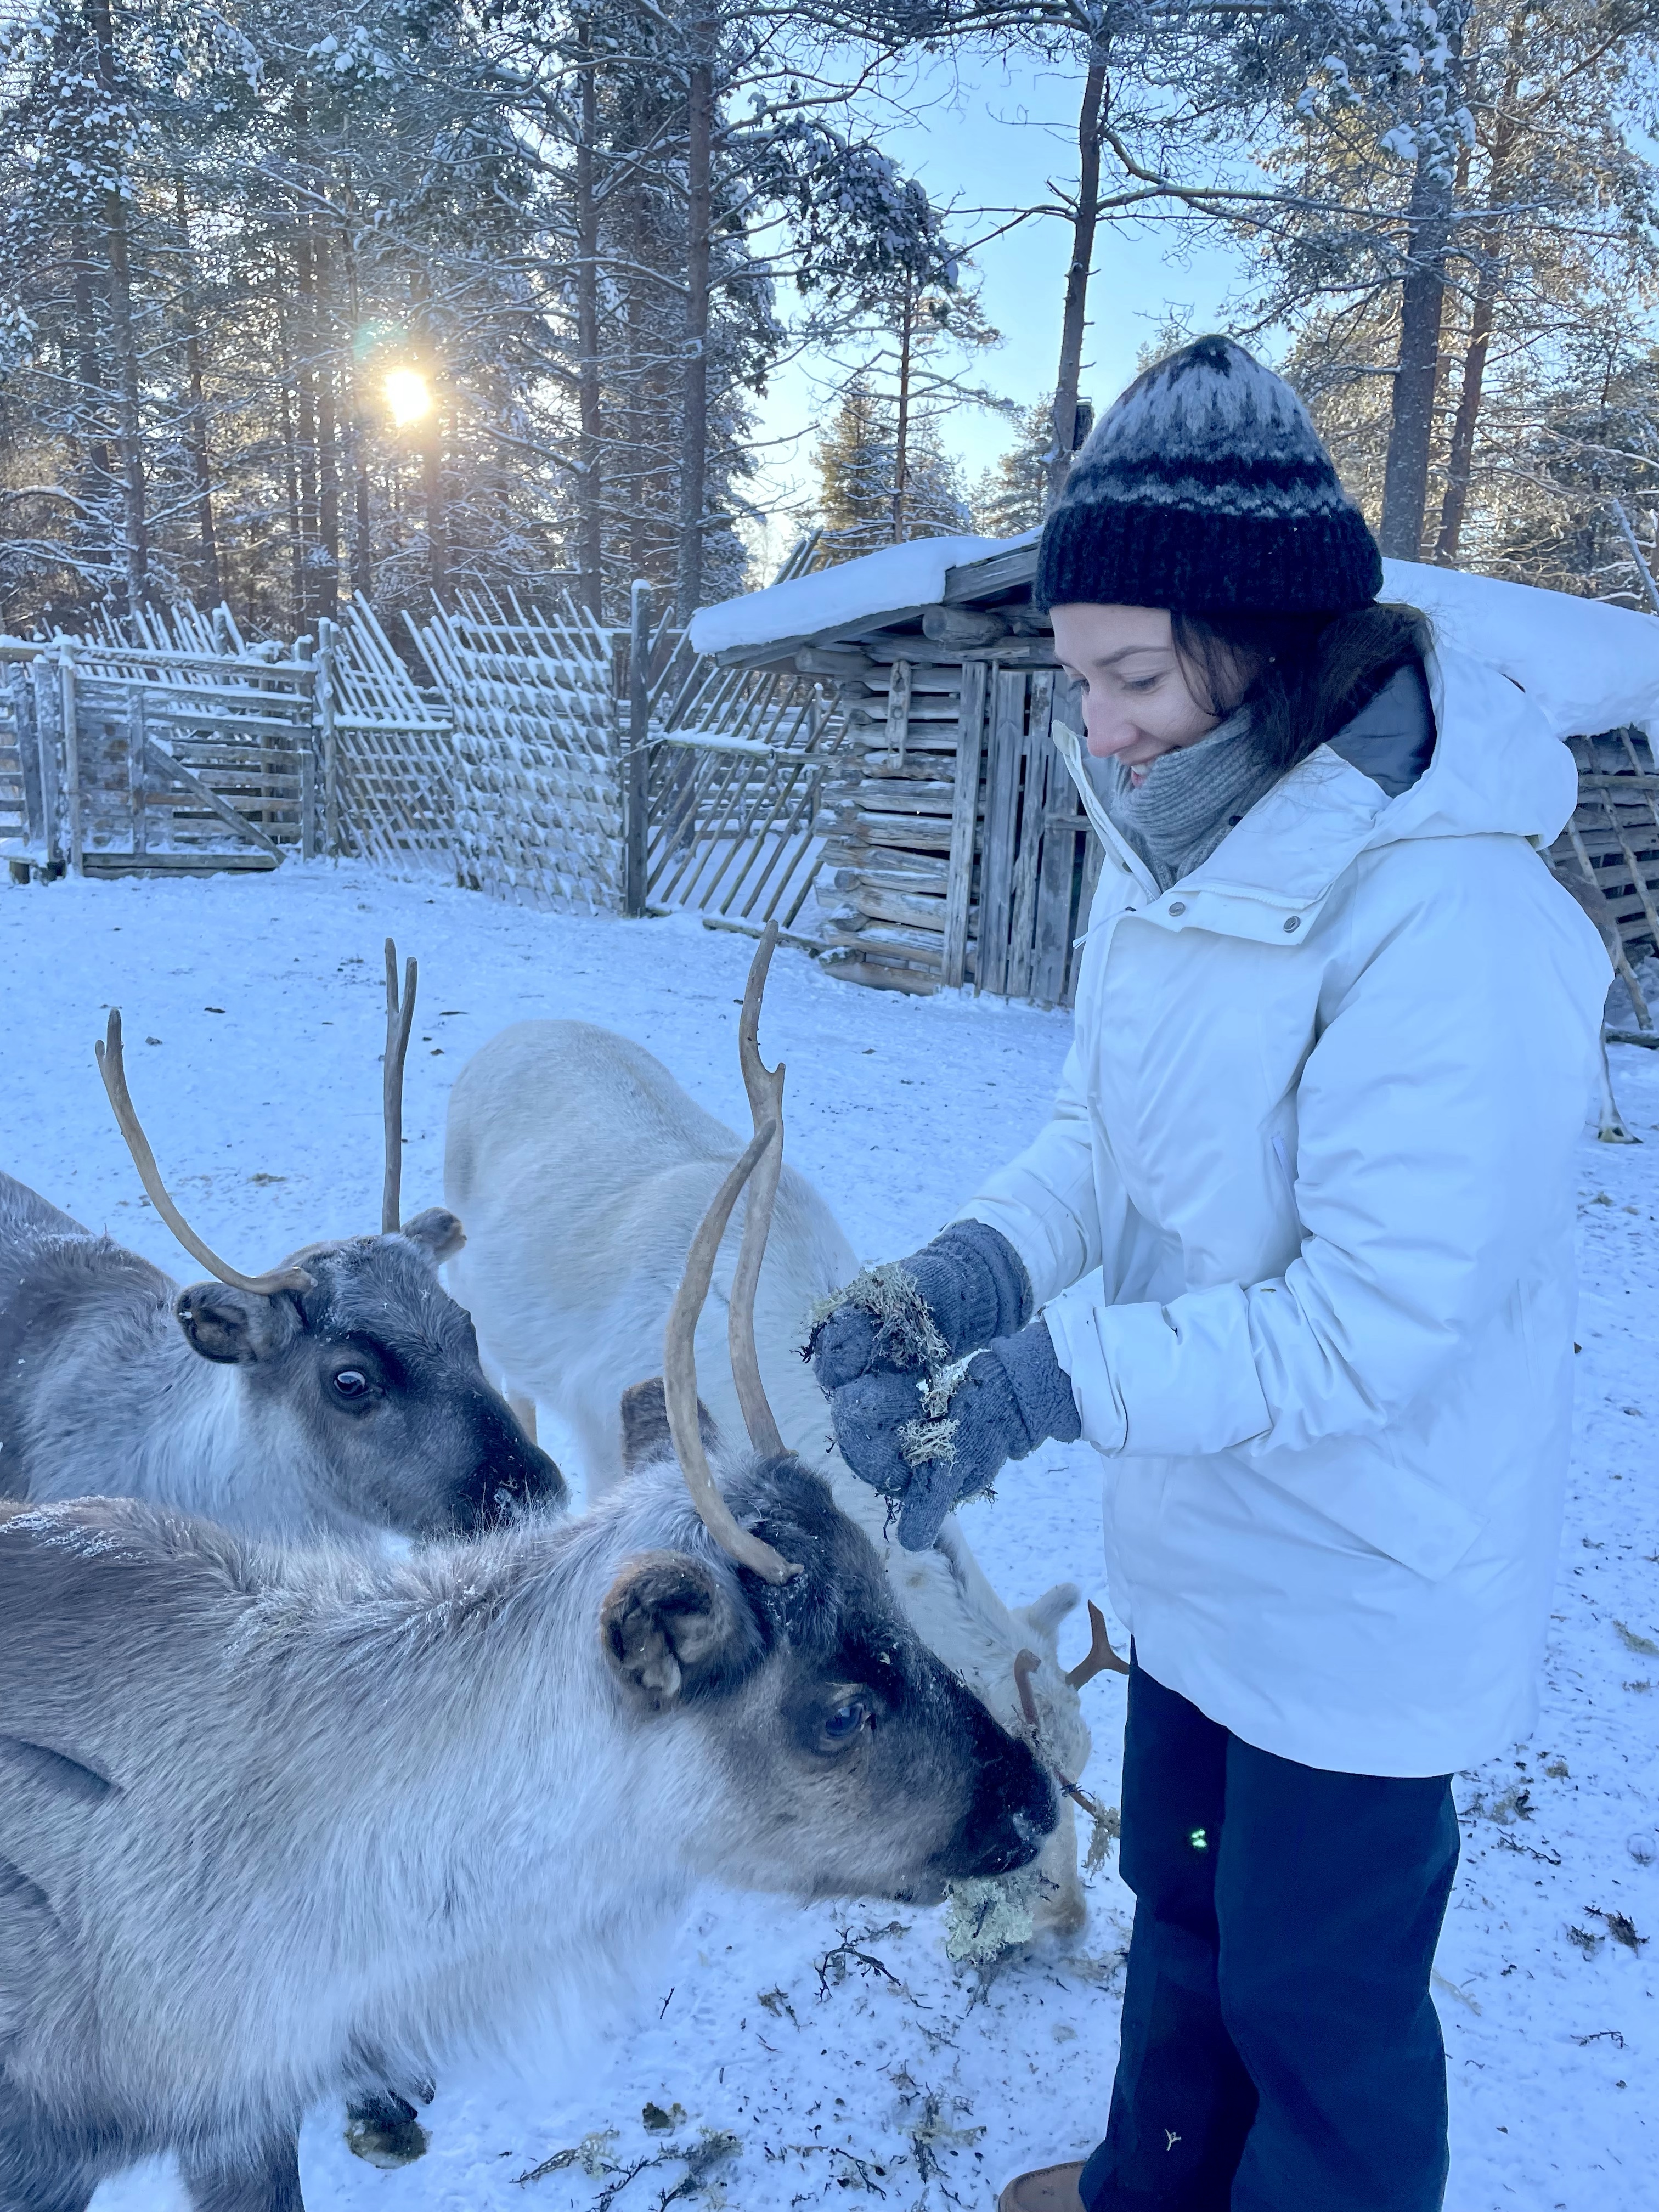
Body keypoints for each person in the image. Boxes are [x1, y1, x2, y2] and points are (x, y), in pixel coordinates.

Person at [810, 337, 1609, 2212]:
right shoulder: (1172, 851)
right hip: (1211, 1555)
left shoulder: (1456, 912)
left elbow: (1375, 1320)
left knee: (1320, 2018)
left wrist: (1043, 1391)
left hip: (1366, 1582)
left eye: (1132, 675)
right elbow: (1104, 1148)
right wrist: (952, 1287)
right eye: (1076, 677)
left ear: (1255, 641)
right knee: (1182, 1922)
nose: (1097, 728)